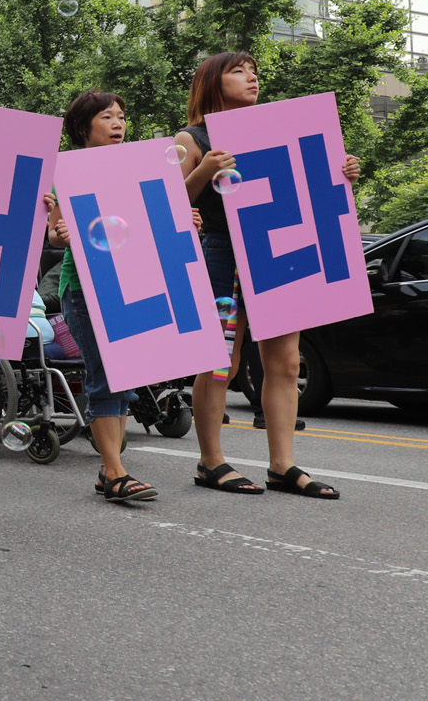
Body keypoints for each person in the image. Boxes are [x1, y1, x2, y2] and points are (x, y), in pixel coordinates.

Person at [175, 52, 357, 499]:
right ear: (213, 82)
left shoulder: (279, 133)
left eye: (254, 70)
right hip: (223, 252)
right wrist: (203, 170)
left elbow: (308, 194)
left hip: (278, 252)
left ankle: (283, 465)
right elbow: (169, 205)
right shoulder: (192, 136)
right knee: (222, 363)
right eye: (239, 70)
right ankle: (210, 461)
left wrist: (342, 173)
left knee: (287, 362)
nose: (252, 77)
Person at [42, 90, 157, 503]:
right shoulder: (66, 171)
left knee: (123, 374)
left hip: (125, 282)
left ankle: (109, 469)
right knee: (105, 376)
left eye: (121, 116)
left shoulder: (136, 168)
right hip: (84, 288)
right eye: (107, 116)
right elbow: (54, 231)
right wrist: (61, 233)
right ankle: (116, 471)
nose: (118, 123)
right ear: (82, 128)